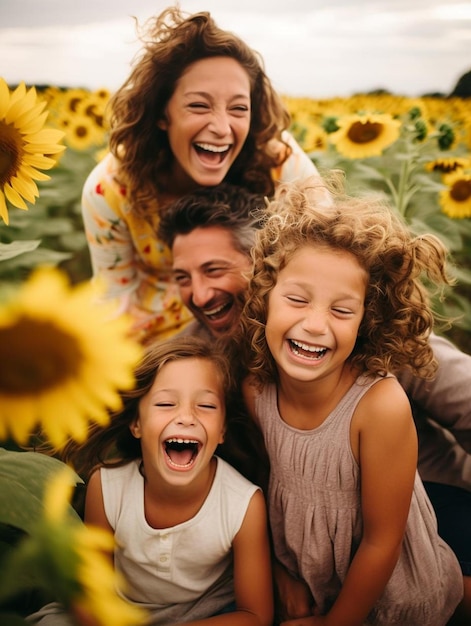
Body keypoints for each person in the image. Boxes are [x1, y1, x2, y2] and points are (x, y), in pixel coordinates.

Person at [234, 176, 466, 625]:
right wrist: (280, 570)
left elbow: (382, 542)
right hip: (312, 580)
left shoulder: (379, 406)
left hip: (390, 597)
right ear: (266, 298)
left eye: (341, 310)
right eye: (297, 300)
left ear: (366, 320)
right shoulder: (255, 389)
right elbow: (263, 487)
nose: (316, 324)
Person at [81, 5, 321, 345]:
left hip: (267, 329)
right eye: (199, 105)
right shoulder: (111, 190)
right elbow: (115, 300)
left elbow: (327, 260)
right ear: (161, 113)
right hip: (160, 344)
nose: (222, 128)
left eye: (238, 108)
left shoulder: (279, 164)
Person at [28, 335, 273, 626]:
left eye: (206, 406)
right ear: (137, 424)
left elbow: (255, 615)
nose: (186, 417)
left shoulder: (243, 504)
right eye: (166, 403)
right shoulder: (107, 487)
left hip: (205, 617)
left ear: (221, 431)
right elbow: (92, 592)